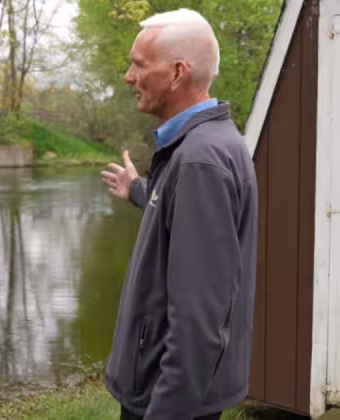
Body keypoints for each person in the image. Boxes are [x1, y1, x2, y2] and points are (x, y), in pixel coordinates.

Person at [100, 8, 258, 420]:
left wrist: (167, 410)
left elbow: (198, 324)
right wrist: (140, 190)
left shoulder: (199, 161)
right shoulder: (204, 145)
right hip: (166, 384)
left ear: (176, 73)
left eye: (139, 65)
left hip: (165, 394)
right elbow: (181, 217)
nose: (128, 77)